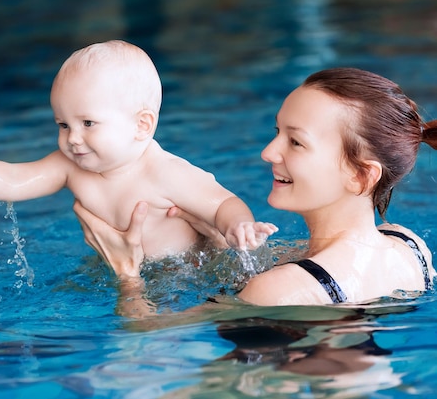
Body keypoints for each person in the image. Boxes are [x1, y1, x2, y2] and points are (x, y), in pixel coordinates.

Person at [74, 67, 437, 309]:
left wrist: (127, 275)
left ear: (361, 175)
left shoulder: (281, 290)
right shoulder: (409, 248)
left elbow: (148, 340)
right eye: (277, 132)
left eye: (296, 143)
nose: (268, 153)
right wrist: (218, 243)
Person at [0, 40, 277, 260]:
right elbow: (14, 180)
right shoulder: (71, 166)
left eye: (88, 123)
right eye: (63, 125)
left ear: (141, 125)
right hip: (126, 273)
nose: (73, 139)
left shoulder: (164, 172)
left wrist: (238, 227)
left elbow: (221, 203)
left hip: (192, 274)